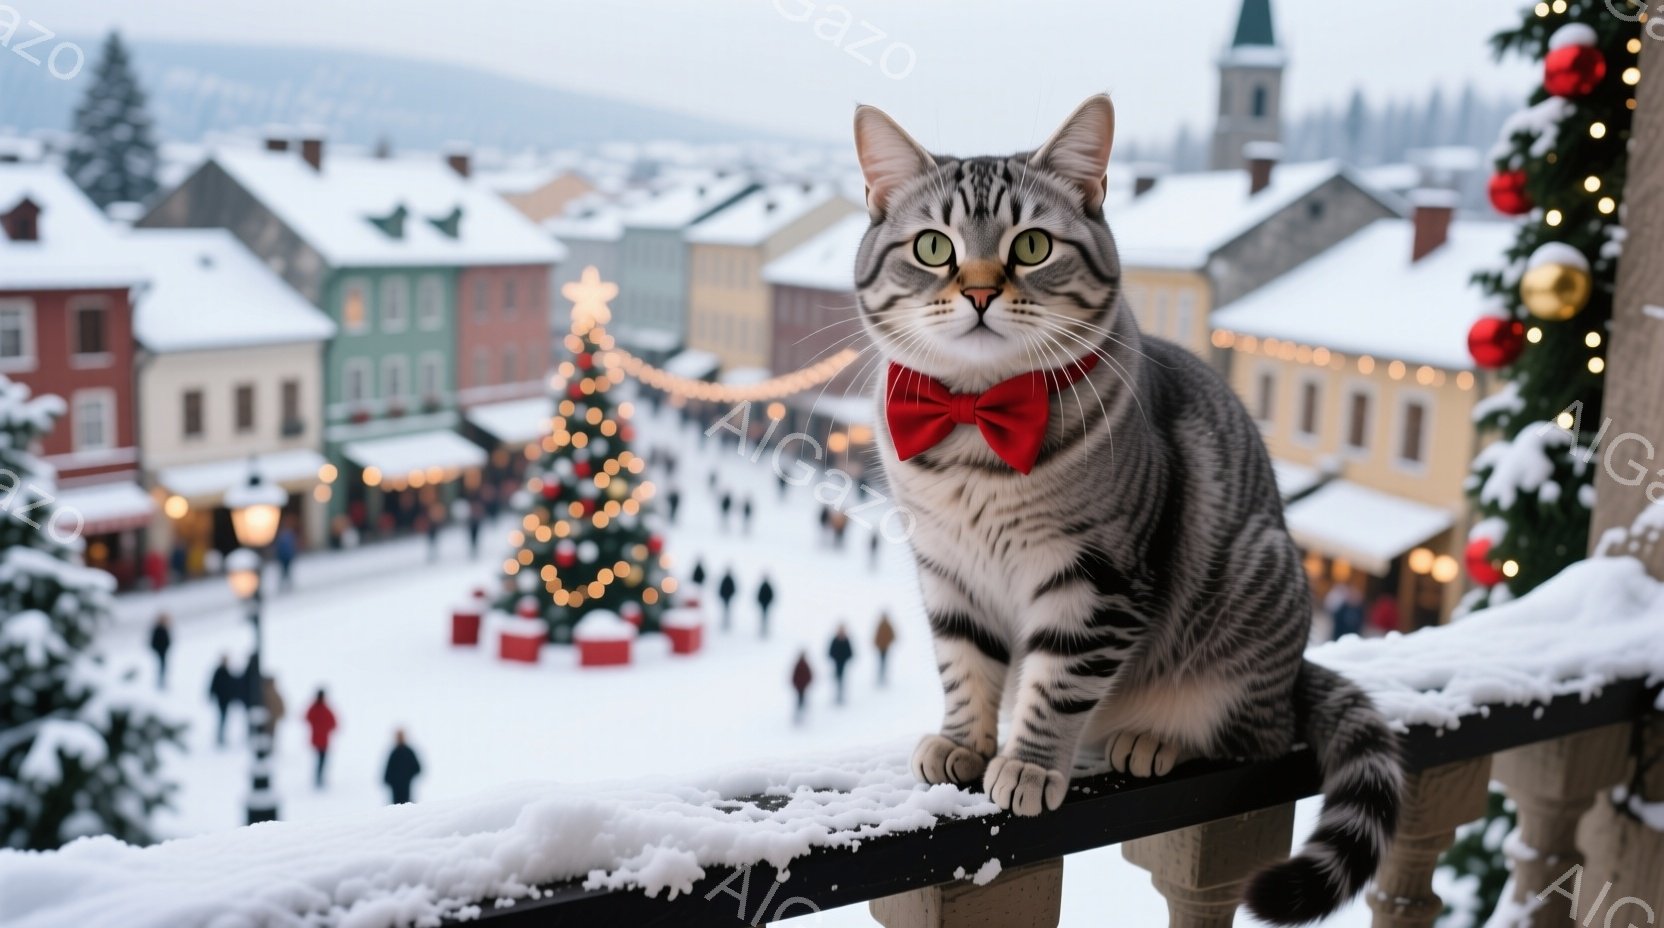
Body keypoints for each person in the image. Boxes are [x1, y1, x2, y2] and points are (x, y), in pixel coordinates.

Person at [305, 689, 338, 788]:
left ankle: (318, 777)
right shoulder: (325, 709)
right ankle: (319, 778)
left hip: (317, 739)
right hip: (323, 740)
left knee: (319, 759)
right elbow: (334, 723)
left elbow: (307, 718)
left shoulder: (314, 708)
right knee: (322, 760)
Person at [208, 654, 241, 746]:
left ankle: (222, 737)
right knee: (222, 718)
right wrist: (211, 694)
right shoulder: (218, 671)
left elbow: (232, 686)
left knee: (225, 718)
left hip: (227, 699)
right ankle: (220, 737)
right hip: (221, 699)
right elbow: (213, 684)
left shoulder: (228, 672)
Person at [384, 729, 423, 804]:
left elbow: (417, 768)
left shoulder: (408, 752)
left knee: (406, 804)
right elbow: (388, 770)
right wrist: (389, 780)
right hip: (395, 788)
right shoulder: (394, 753)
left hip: (406, 786)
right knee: (396, 806)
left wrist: (407, 776)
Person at [828, 624, 854, 705]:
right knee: (837, 677)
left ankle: (840, 693)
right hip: (837, 662)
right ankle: (838, 693)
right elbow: (831, 651)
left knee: (841, 678)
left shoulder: (846, 640)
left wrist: (847, 657)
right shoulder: (835, 640)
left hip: (843, 662)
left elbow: (850, 652)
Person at [148, 613, 172, 691]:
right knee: (161, 665)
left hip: (164, 651)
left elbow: (168, 640)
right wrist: (157, 649)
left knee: (164, 666)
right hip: (160, 651)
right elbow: (153, 642)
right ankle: (160, 680)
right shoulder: (157, 629)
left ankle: (162, 679)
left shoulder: (165, 628)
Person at [873, 612, 896, 686]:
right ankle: (880, 676)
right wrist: (876, 644)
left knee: (884, 662)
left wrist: (888, 643)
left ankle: (883, 676)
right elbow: (876, 636)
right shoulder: (880, 625)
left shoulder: (888, 625)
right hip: (880, 648)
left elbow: (893, 636)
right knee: (881, 661)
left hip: (886, 647)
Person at [261, 674, 286, 740]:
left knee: (268, 736)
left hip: (271, 718)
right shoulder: (265, 692)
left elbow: (281, 707)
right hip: (265, 718)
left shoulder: (272, 693)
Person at [791, 652, 813, 723]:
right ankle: (799, 711)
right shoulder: (800, 665)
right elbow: (794, 676)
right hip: (799, 686)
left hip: (802, 686)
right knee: (800, 698)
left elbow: (809, 676)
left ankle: (800, 711)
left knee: (801, 698)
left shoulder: (803, 665)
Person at [274, 523, 298, 590]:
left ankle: (287, 584)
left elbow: (292, 546)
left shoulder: (286, 535)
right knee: (284, 571)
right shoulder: (285, 536)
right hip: (284, 557)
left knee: (286, 571)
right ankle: (284, 584)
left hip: (286, 557)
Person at [756, 574, 776, 639]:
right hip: (763, 604)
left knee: (765, 616)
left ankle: (764, 628)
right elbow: (759, 595)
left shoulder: (768, 586)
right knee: (763, 616)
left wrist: (768, 601)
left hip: (766, 604)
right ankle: (763, 627)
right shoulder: (763, 586)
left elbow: (771, 595)